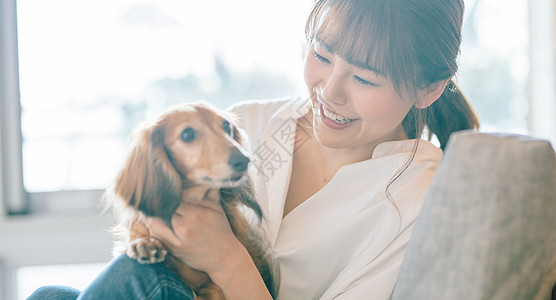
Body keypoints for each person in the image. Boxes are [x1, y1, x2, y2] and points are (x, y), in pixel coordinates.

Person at [29, 0, 479, 299]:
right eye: (321, 54)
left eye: (364, 79)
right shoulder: (254, 126)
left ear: (429, 89)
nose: (330, 91)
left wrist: (226, 259)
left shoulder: (418, 202)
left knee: (134, 277)